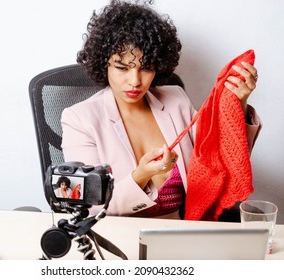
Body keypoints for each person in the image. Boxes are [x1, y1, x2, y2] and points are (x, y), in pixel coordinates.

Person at [61, 0, 261, 219]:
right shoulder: (79, 119)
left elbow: (219, 159)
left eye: (146, 68)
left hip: (181, 237)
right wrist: (141, 176)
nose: (135, 81)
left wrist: (238, 102)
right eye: (121, 68)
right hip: (118, 240)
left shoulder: (176, 99)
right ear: (103, 63)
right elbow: (88, 206)